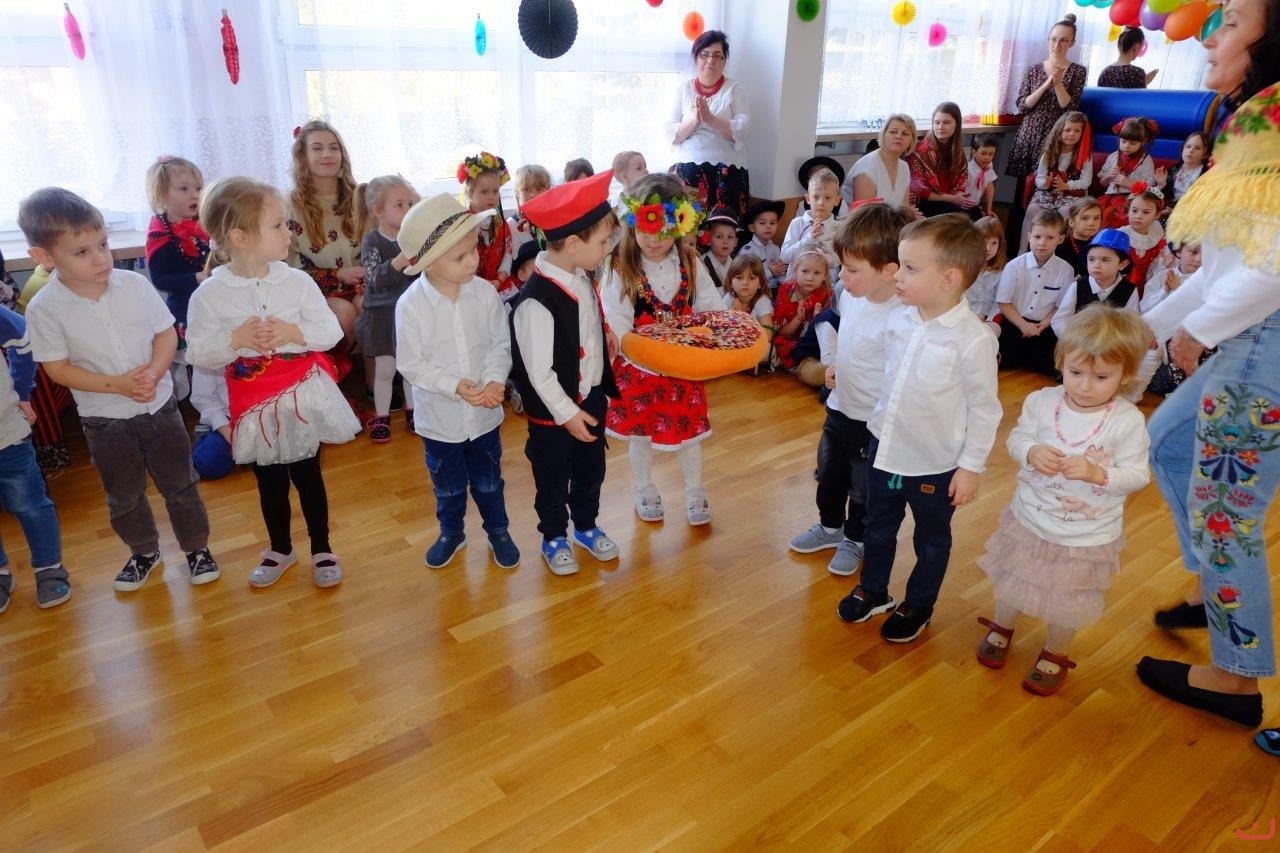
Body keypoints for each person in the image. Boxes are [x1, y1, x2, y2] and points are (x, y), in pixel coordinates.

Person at [1135, 0, 1280, 738]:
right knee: (1168, 440)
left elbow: (1272, 270)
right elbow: (1229, 265)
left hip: (1265, 342)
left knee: (1228, 513)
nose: (1212, 34)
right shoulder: (1254, 121)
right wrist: (1147, 328)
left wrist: (1193, 333)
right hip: (1253, 333)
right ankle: (1218, 593)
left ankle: (1235, 675)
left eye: (1234, 21)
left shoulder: (1273, 126)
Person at [21, 187, 219, 592]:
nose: (100, 258)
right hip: (104, 420)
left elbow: (165, 333)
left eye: (103, 244)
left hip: (160, 409)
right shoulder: (44, 308)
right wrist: (118, 385)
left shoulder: (134, 286)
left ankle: (196, 548)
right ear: (44, 257)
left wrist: (155, 373)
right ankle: (144, 552)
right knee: (124, 495)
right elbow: (57, 368)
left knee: (180, 484)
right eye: (82, 252)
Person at [186, 177, 360, 590]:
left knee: (309, 475)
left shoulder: (297, 281)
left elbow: (330, 332)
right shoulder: (210, 294)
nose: (288, 233)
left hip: (300, 396)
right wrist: (235, 340)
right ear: (240, 237)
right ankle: (280, 548)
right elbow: (198, 353)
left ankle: (321, 547)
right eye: (278, 225)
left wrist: (293, 333)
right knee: (269, 482)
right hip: (254, 404)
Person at [836, 214, 1001, 643]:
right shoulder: (901, 319)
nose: (897, 275)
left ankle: (919, 605)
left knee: (931, 540)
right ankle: (874, 590)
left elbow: (985, 410)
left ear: (948, 279)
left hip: (934, 465)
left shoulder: (973, 340)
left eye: (909, 268)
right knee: (877, 525)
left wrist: (970, 467)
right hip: (886, 448)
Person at [975, 305, 1151, 695]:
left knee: (1067, 597)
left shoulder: (1127, 421)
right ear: (1061, 362)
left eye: (1101, 377)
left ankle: (1056, 650)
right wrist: (1031, 451)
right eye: (1075, 372)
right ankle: (1003, 625)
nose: (1085, 386)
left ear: (1126, 375)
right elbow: (1017, 438)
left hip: (1084, 536)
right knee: (1014, 577)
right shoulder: (1042, 402)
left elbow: (1138, 475)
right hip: (1029, 519)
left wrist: (1097, 474)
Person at [789, 203, 914, 577]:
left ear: (889, 270)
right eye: (842, 265)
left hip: (870, 423)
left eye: (852, 268)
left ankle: (855, 538)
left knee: (862, 489)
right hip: (839, 408)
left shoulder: (902, 317)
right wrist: (833, 367)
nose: (841, 275)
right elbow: (846, 338)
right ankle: (830, 527)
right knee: (829, 475)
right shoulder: (849, 295)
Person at [394, 194, 517, 571]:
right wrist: (452, 384)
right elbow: (411, 364)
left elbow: (499, 344)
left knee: (490, 482)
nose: (473, 261)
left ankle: (498, 531)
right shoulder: (411, 306)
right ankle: (452, 532)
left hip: (484, 418)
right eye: (460, 256)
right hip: (440, 422)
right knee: (447, 486)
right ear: (429, 262)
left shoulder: (485, 294)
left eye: (473, 250)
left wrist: (495, 380)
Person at [509, 170, 621, 576]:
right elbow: (538, 374)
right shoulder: (535, 301)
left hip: (590, 397)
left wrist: (604, 334)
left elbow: (585, 320)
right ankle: (554, 535)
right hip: (554, 414)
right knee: (553, 478)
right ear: (573, 244)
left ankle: (586, 526)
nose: (608, 249)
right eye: (604, 242)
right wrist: (567, 414)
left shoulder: (580, 275)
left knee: (591, 471)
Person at [604, 172, 721, 526]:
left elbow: (711, 308)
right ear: (632, 223)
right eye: (645, 230)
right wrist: (645, 352)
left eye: (663, 232)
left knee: (690, 437)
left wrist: (713, 336)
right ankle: (643, 486)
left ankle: (695, 489)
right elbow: (617, 323)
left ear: (679, 226)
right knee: (641, 436)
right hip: (639, 372)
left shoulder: (691, 262)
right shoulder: (618, 267)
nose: (653, 240)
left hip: (683, 371)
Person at [0, 303, 70, 613]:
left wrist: (22, 391)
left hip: (6, 436)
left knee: (30, 505)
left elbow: (24, 340)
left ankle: (49, 567)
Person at [286, 120, 363, 349]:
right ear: (303, 156)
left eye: (334, 148)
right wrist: (338, 274)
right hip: (318, 292)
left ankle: (377, 373)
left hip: (362, 285)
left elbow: (375, 244)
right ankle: (332, 370)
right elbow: (291, 266)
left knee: (371, 306)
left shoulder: (359, 197)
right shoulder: (289, 206)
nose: (327, 154)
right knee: (345, 314)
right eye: (317, 148)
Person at [354, 175, 419, 443]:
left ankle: (413, 411)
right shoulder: (372, 240)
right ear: (379, 211)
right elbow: (375, 277)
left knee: (410, 367)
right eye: (400, 205)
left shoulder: (413, 237)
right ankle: (381, 416)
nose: (407, 210)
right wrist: (400, 260)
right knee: (385, 369)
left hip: (410, 313)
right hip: (383, 315)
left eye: (410, 204)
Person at [667, 29, 752, 220]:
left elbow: (743, 130)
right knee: (688, 228)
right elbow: (671, 134)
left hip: (727, 171)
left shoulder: (734, 88)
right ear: (696, 58)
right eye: (704, 55)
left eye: (717, 55)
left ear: (724, 61)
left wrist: (711, 119)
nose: (710, 60)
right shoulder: (683, 89)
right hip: (687, 171)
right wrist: (696, 120)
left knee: (724, 231)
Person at [1007, 13, 1088, 181]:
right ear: (1048, 40)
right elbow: (1022, 105)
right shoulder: (1033, 70)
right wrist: (1046, 84)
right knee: (1023, 185)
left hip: (1056, 134)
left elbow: (1070, 108)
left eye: (1064, 40)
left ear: (1072, 43)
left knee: (1048, 182)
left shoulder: (1078, 71)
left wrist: (1057, 83)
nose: (1057, 45)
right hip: (1030, 132)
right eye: (1053, 39)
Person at [995, 208, 1074, 374]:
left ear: (1060, 239)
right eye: (1037, 237)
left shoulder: (1066, 270)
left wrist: (1043, 324)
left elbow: (1059, 306)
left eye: (1050, 237)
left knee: (1053, 368)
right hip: (1015, 322)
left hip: (1043, 326)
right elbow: (1003, 302)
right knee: (1001, 361)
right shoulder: (1014, 266)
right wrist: (1023, 325)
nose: (1042, 242)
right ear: (1029, 236)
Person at [143, 155, 208, 345]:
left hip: (216, 304)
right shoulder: (159, 234)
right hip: (185, 311)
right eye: (184, 188)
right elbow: (161, 280)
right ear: (161, 195)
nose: (195, 195)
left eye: (198, 188)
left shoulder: (206, 223)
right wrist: (196, 277)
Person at [1020, 111, 1093, 253]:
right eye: (1068, 130)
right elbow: (1039, 178)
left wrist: (1066, 185)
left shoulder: (1085, 156)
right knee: (1033, 209)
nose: (1072, 134)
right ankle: (1022, 250)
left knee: (1066, 212)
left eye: (1077, 131)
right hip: (1048, 193)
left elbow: (1086, 181)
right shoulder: (1049, 153)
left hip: (1072, 194)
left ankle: (1057, 253)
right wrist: (1044, 184)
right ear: (1059, 131)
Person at [457, 151, 516, 300]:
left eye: (495, 191)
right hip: (470, 285)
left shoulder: (501, 224)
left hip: (499, 282)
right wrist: (482, 284)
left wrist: (499, 280)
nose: (491, 196)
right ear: (470, 193)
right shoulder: (462, 226)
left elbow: (507, 256)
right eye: (484, 191)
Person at [773, 250, 833, 384]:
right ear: (796, 270)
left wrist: (817, 322)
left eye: (817, 273)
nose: (810, 278)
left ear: (825, 275)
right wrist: (798, 319)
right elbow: (782, 332)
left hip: (815, 342)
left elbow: (827, 335)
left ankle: (826, 373)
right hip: (791, 339)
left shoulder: (828, 294)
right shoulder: (785, 290)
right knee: (781, 344)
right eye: (805, 271)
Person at [843, 114, 920, 214]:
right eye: (893, 132)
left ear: (912, 140)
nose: (898, 136)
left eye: (905, 134)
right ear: (883, 135)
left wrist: (910, 215)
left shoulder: (904, 167)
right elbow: (864, 215)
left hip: (890, 221)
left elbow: (903, 209)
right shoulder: (868, 165)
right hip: (863, 222)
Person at [908, 102, 973, 218]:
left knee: (975, 212)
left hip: (950, 199)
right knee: (962, 216)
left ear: (957, 124)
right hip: (926, 202)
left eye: (946, 122)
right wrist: (952, 199)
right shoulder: (921, 152)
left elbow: (962, 180)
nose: (940, 127)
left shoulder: (958, 152)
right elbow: (919, 190)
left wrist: (959, 198)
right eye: (937, 122)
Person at [1097, 117, 1158, 229]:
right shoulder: (1113, 157)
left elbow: (1149, 189)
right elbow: (1102, 183)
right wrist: (1108, 175)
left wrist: (1129, 183)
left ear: (1143, 142)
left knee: (1118, 215)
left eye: (1133, 143)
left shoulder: (1146, 160)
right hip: (1109, 198)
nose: (1126, 146)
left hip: (1132, 200)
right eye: (1123, 141)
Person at [781, 166, 841, 277]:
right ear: (808, 199)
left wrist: (823, 243)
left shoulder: (839, 228)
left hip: (826, 285)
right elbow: (785, 257)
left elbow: (837, 262)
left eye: (827, 198)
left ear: (837, 200)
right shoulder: (797, 223)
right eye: (816, 197)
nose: (821, 203)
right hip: (795, 284)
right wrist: (810, 238)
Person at [1118, 186, 1168, 290]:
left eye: (1146, 212)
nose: (1138, 216)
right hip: (1122, 286)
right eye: (1134, 211)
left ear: (1156, 215)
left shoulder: (1157, 236)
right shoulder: (1120, 236)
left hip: (1148, 285)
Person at [1156, 132, 1211, 217]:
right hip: (1168, 208)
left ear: (1206, 154)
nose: (1191, 150)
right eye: (1188, 146)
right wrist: (1161, 184)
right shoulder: (1175, 169)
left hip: (1187, 213)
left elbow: (1202, 202)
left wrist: (1174, 212)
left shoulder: (1205, 174)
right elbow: (1165, 195)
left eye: (1198, 148)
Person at [737, 199, 787, 292]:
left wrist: (785, 286)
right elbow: (746, 276)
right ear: (752, 227)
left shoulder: (775, 249)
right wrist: (771, 272)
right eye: (762, 223)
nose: (768, 226)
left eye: (772, 223)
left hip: (775, 289)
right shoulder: (747, 251)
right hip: (755, 292)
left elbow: (780, 271)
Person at [721, 255, 774, 341]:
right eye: (739, 278)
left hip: (757, 343)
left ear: (760, 283)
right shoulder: (729, 298)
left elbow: (768, 333)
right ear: (730, 282)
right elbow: (719, 326)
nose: (745, 282)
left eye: (751, 278)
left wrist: (741, 317)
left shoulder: (762, 301)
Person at [1056, 196, 1104, 280]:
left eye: (1096, 218)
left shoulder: (1101, 247)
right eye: (1084, 218)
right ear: (1071, 222)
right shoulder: (1060, 248)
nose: (1091, 223)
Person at [969, 216, 1006, 321]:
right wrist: (970, 316)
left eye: (994, 243)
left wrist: (989, 320)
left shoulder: (1001, 272)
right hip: (964, 318)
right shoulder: (963, 268)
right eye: (984, 242)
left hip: (988, 320)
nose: (988, 248)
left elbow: (998, 302)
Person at [509, 164, 553, 251]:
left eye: (539, 189)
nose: (533, 195)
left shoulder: (555, 220)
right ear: (517, 193)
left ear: (548, 191)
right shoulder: (511, 225)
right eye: (527, 189)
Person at [700, 208, 738, 295]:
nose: (725, 241)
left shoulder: (737, 265)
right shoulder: (701, 265)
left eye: (730, 237)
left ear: (736, 242)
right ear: (708, 239)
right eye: (719, 236)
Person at [964, 133, 1000, 220]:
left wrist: (989, 210)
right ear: (974, 152)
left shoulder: (989, 168)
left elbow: (990, 189)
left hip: (975, 206)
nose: (987, 157)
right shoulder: (968, 170)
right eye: (983, 153)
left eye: (991, 154)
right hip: (963, 207)